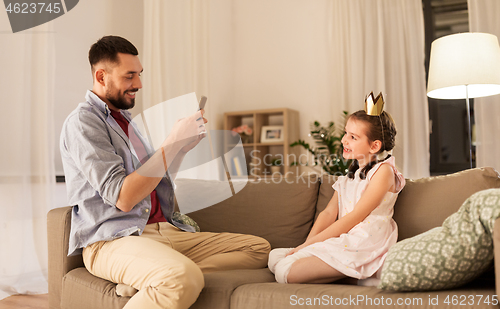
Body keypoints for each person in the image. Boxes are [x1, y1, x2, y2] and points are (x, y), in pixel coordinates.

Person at [60, 35, 270, 309]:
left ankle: (148, 276)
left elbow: (153, 181)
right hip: (115, 239)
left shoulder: (127, 122)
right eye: (129, 76)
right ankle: (162, 272)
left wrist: (180, 149)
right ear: (101, 76)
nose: (139, 84)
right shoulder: (83, 123)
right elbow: (123, 197)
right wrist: (171, 143)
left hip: (165, 232)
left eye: (139, 74)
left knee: (257, 250)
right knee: (182, 278)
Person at [268, 92, 405, 286]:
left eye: (352, 137)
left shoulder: (383, 171)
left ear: (374, 146)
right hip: (346, 238)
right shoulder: (350, 175)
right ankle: (353, 273)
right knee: (275, 257)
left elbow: (355, 216)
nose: (343, 140)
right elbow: (328, 213)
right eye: (345, 133)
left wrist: (307, 247)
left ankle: (363, 271)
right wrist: (306, 245)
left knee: (286, 272)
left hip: (365, 241)